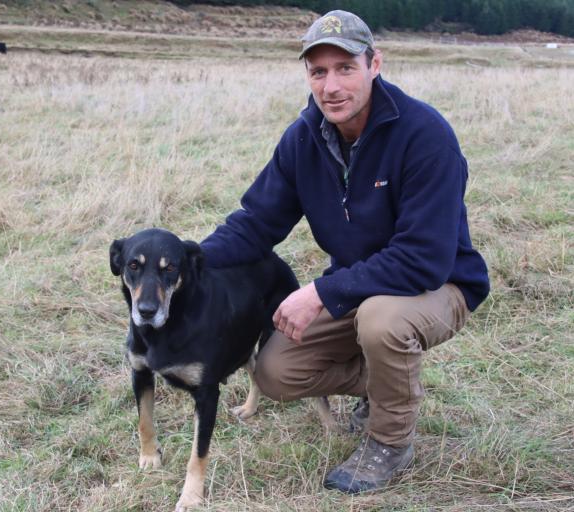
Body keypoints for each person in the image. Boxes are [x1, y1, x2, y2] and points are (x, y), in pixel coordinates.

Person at [200, 10, 489, 494]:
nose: (330, 86)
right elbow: (256, 223)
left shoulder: (425, 135)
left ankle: (390, 442)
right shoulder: (303, 139)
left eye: (345, 68)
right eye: (318, 71)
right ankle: (386, 381)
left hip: (441, 285)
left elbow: (424, 258)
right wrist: (190, 263)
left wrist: (319, 292)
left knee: (383, 321)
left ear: (375, 64)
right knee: (275, 373)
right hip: (359, 284)